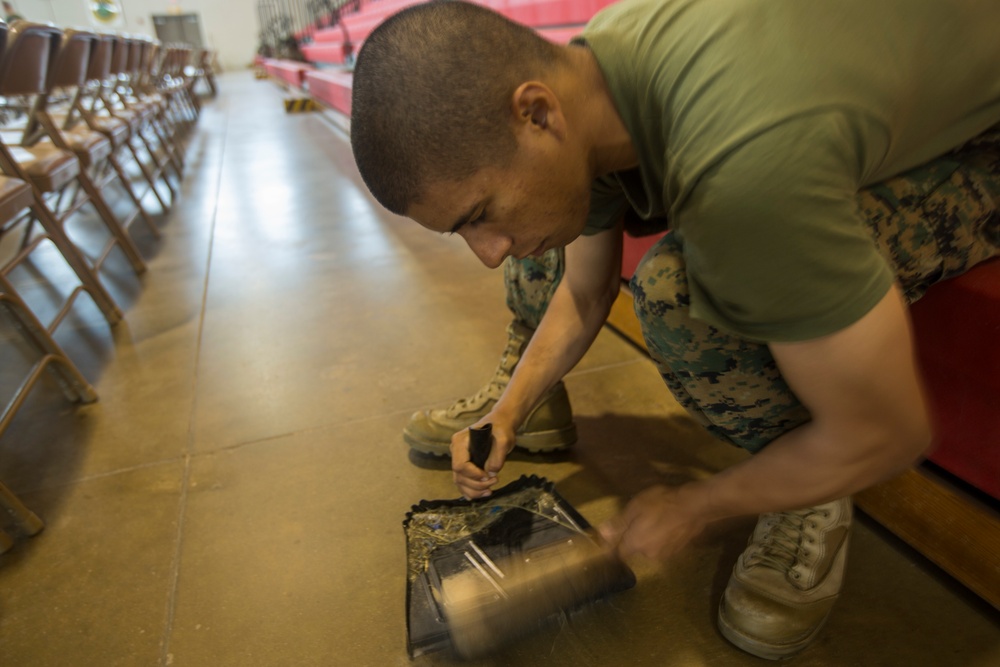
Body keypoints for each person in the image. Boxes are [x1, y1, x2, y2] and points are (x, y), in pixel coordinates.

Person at [350, 0, 1000, 659]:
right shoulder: (592, 79)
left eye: (480, 213)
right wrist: (508, 413)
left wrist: (697, 504)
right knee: (553, 252)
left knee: (677, 296)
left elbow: (889, 432)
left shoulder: (746, 173)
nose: (486, 253)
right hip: (875, 105)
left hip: (986, 141)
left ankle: (812, 488)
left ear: (537, 112)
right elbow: (583, 289)